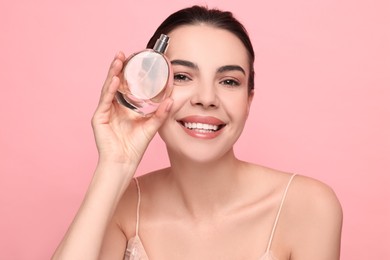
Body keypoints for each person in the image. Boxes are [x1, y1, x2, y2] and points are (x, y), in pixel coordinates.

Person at [52, 5, 342, 260]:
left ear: (248, 100)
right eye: (181, 76)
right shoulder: (123, 208)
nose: (206, 98)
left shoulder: (308, 206)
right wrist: (114, 165)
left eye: (229, 81)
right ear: (149, 86)